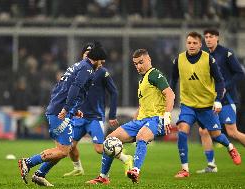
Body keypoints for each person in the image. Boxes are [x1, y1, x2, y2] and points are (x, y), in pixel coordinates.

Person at [18, 42, 107, 186]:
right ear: (95, 59)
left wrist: (72, 108)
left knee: (63, 148)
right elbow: (74, 88)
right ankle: (27, 163)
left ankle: (40, 174)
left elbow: (60, 88)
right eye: (101, 62)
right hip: (60, 112)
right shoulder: (87, 69)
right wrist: (65, 109)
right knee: (64, 151)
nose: (101, 65)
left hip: (58, 109)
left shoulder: (77, 66)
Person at [86, 49, 175, 184]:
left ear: (148, 59)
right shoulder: (143, 80)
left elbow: (170, 94)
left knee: (141, 136)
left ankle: (135, 171)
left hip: (156, 119)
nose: (138, 66)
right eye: (135, 64)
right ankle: (103, 177)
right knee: (110, 140)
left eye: (141, 62)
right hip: (141, 120)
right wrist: (136, 116)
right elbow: (146, 102)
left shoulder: (155, 74)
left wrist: (167, 117)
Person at [171, 31, 241, 178]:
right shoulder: (178, 60)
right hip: (188, 105)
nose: (191, 45)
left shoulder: (208, 59)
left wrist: (217, 101)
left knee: (216, 135)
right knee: (182, 130)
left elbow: (220, 81)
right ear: (186, 43)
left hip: (207, 106)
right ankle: (185, 169)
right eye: (189, 42)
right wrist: (170, 97)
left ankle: (230, 147)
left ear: (200, 45)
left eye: (195, 43)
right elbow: (173, 81)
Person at [63, 43, 123, 177]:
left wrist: (112, 115)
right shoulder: (78, 70)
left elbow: (114, 92)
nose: (89, 55)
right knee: (69, 146)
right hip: (78, 116)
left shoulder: (102, 72)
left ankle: (125, 158)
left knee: (99, 149)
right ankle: (78, 168)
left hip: (94, 117)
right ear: (83, 55)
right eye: (87, 52)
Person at [196, 28, 245, 173]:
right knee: (203, 130)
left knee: (232, 132)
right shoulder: (203, 56)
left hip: (227, 99)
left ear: (217, 38)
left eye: (211, 36)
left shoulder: (226, 53)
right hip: (210, 101)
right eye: (206, 37)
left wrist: (225, 87)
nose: (208, 39)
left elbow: (240, 73)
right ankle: (211, 165)